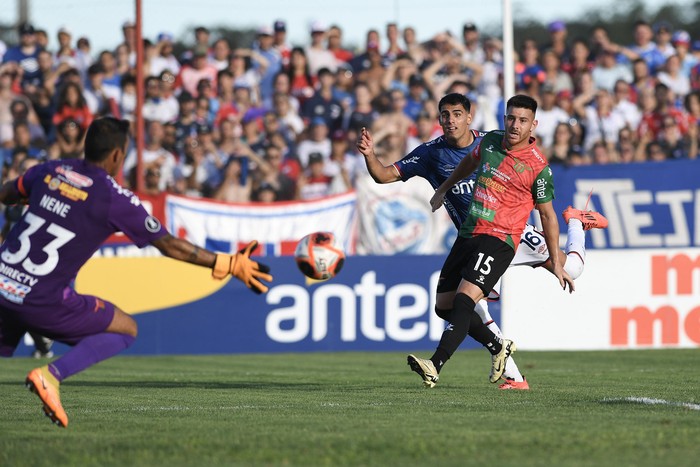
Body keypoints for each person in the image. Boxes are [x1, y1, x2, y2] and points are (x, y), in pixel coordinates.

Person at [0, 117, 273, 428]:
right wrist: (227, 263)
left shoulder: (50, 170)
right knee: (125, 329)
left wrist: (33, 196)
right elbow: (169, 245)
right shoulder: (112, 198)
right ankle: (51, 375)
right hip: (40, 300)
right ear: (117, 154)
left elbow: (7, 193)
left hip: (2, 284)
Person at [357, 93, 607, 389]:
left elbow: (547, 213)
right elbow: (385, 176)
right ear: (439, 119)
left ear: (469, 117)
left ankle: (576, 221)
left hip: (508, 234)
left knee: (570, 270)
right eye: (445, 115)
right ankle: (512, 374)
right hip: (472, 236)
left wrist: (555, 256)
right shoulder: (432, 154)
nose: (451, 121)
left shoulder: (492, 142)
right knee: (461, 305)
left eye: (457, 114)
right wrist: (371, 155)